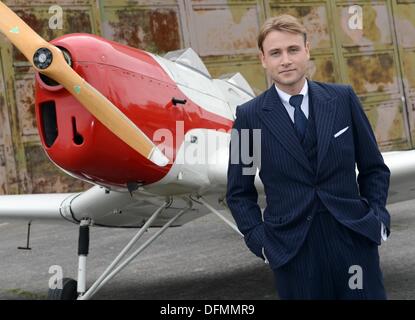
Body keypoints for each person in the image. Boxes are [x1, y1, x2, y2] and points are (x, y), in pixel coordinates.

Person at [226, 14, 391, 300]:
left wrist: (377, 219)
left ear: (307, 50)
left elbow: (374, 168)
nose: (285, 60)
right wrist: (261, 242)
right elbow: (239, 192)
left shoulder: (342, 100)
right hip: (292, 253)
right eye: (275, 53)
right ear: (263, 59)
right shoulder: (248, 117)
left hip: (353, 243)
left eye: (293, 50)